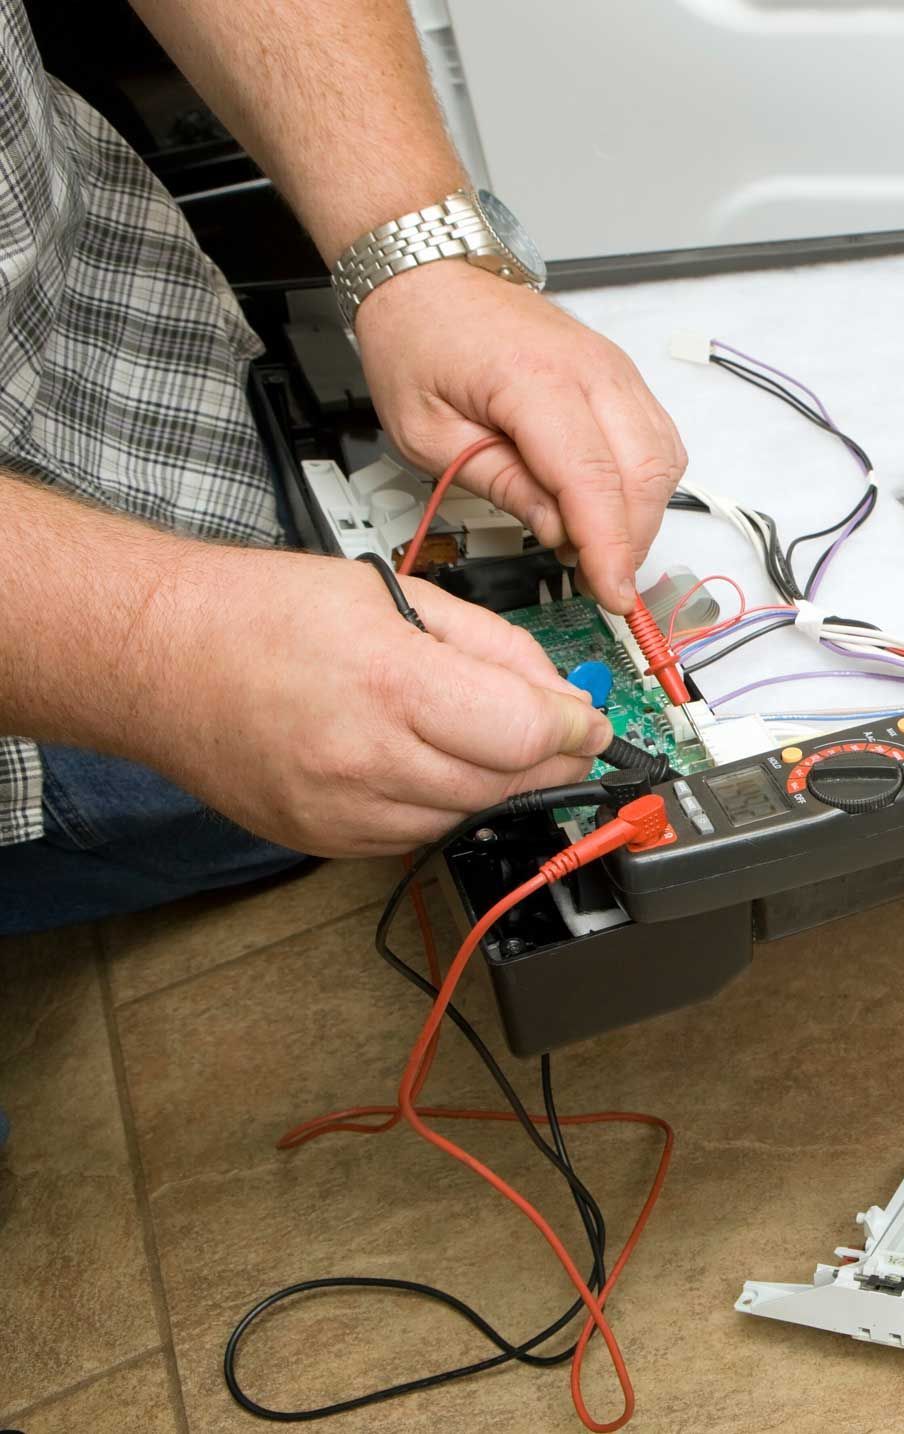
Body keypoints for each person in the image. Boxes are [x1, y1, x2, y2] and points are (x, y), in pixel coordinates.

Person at [0, 0, 687, 936]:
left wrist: (418, 258)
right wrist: (158, 646)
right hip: (32, 727)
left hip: (128, 354)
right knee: (244, 818)